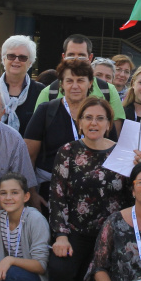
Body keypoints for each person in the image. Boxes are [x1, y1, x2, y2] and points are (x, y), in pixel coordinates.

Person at [42, 96, 139, 281]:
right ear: (80, 122)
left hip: (112, 236)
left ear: (108, 124)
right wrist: (60, 235)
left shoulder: (124, 153)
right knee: (60, 269)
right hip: (76, 232)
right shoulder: (68, 151)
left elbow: (133, 199)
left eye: (100, 118)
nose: (93, 123)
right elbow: (57, 196)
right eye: (88, 118)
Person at [24, 58, 103, 187]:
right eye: (69, 81)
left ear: (90, 83)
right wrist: (32, 193)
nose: (75, 86)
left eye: (80, 80)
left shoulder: (101, 113)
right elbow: (28, 156)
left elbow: (112, 152)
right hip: (49, 186)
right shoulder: (46, 111)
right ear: (62, 84)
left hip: (91, 187)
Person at [33, 34, 126, 128]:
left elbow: (116, 130)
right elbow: (37, 130)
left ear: (90, 58)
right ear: (63, 57)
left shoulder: (108, 90)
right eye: (71, 55)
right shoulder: (49, 92)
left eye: (81, 56)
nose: (76, 60)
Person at [0, 34, 45, 133]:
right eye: (11, 56)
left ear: (30, 62)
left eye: (22, 57)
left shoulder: (40, 91)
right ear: (4, 59)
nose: (16, 60)